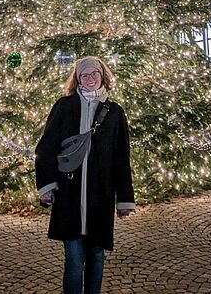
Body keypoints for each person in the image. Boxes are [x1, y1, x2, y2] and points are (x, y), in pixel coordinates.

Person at [36, 56, 135, 294]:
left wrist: (124, 199)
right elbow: (46, 148)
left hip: (100, 195)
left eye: (94, 74)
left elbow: (122, 158)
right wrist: (47, 186)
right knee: (73, 261)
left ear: (102, 76)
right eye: (85, 75)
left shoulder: (114, 113)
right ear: (77, 79)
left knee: (96, 257)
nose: (90, 79)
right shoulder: (64, 106)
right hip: (69, 196)